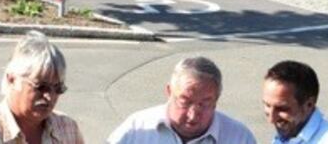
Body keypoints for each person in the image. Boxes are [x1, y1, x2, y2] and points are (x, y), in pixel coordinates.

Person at [0, 30, 84, 144]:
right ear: (12, 80)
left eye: (58, 88)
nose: (49, 96)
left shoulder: (68, 130)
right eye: (41, 86)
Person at [107, 56, 257, 144]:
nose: (192, 116)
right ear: (169, 91)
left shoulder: (239, 138)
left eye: (204, 104)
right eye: (185, 101)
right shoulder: (135, 130)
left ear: (216, 100)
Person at [262, 60, 328, 144]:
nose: (271, 119)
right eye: (267, 105)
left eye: (282, 109)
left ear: (309, 105)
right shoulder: (286, 135)